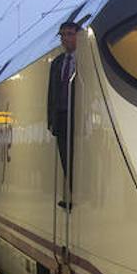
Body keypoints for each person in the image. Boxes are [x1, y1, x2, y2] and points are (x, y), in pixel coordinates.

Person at [47, 21, 79, 179]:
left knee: (77, 156)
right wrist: (50, 121)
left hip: (76, 115)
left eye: (70, 34)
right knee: (64, 157)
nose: (65, 38)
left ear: (78, 36)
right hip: (60, 117)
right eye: (62, 35)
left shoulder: (82, 58)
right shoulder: (57, 63)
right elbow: (51, 93)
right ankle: (70, 189)